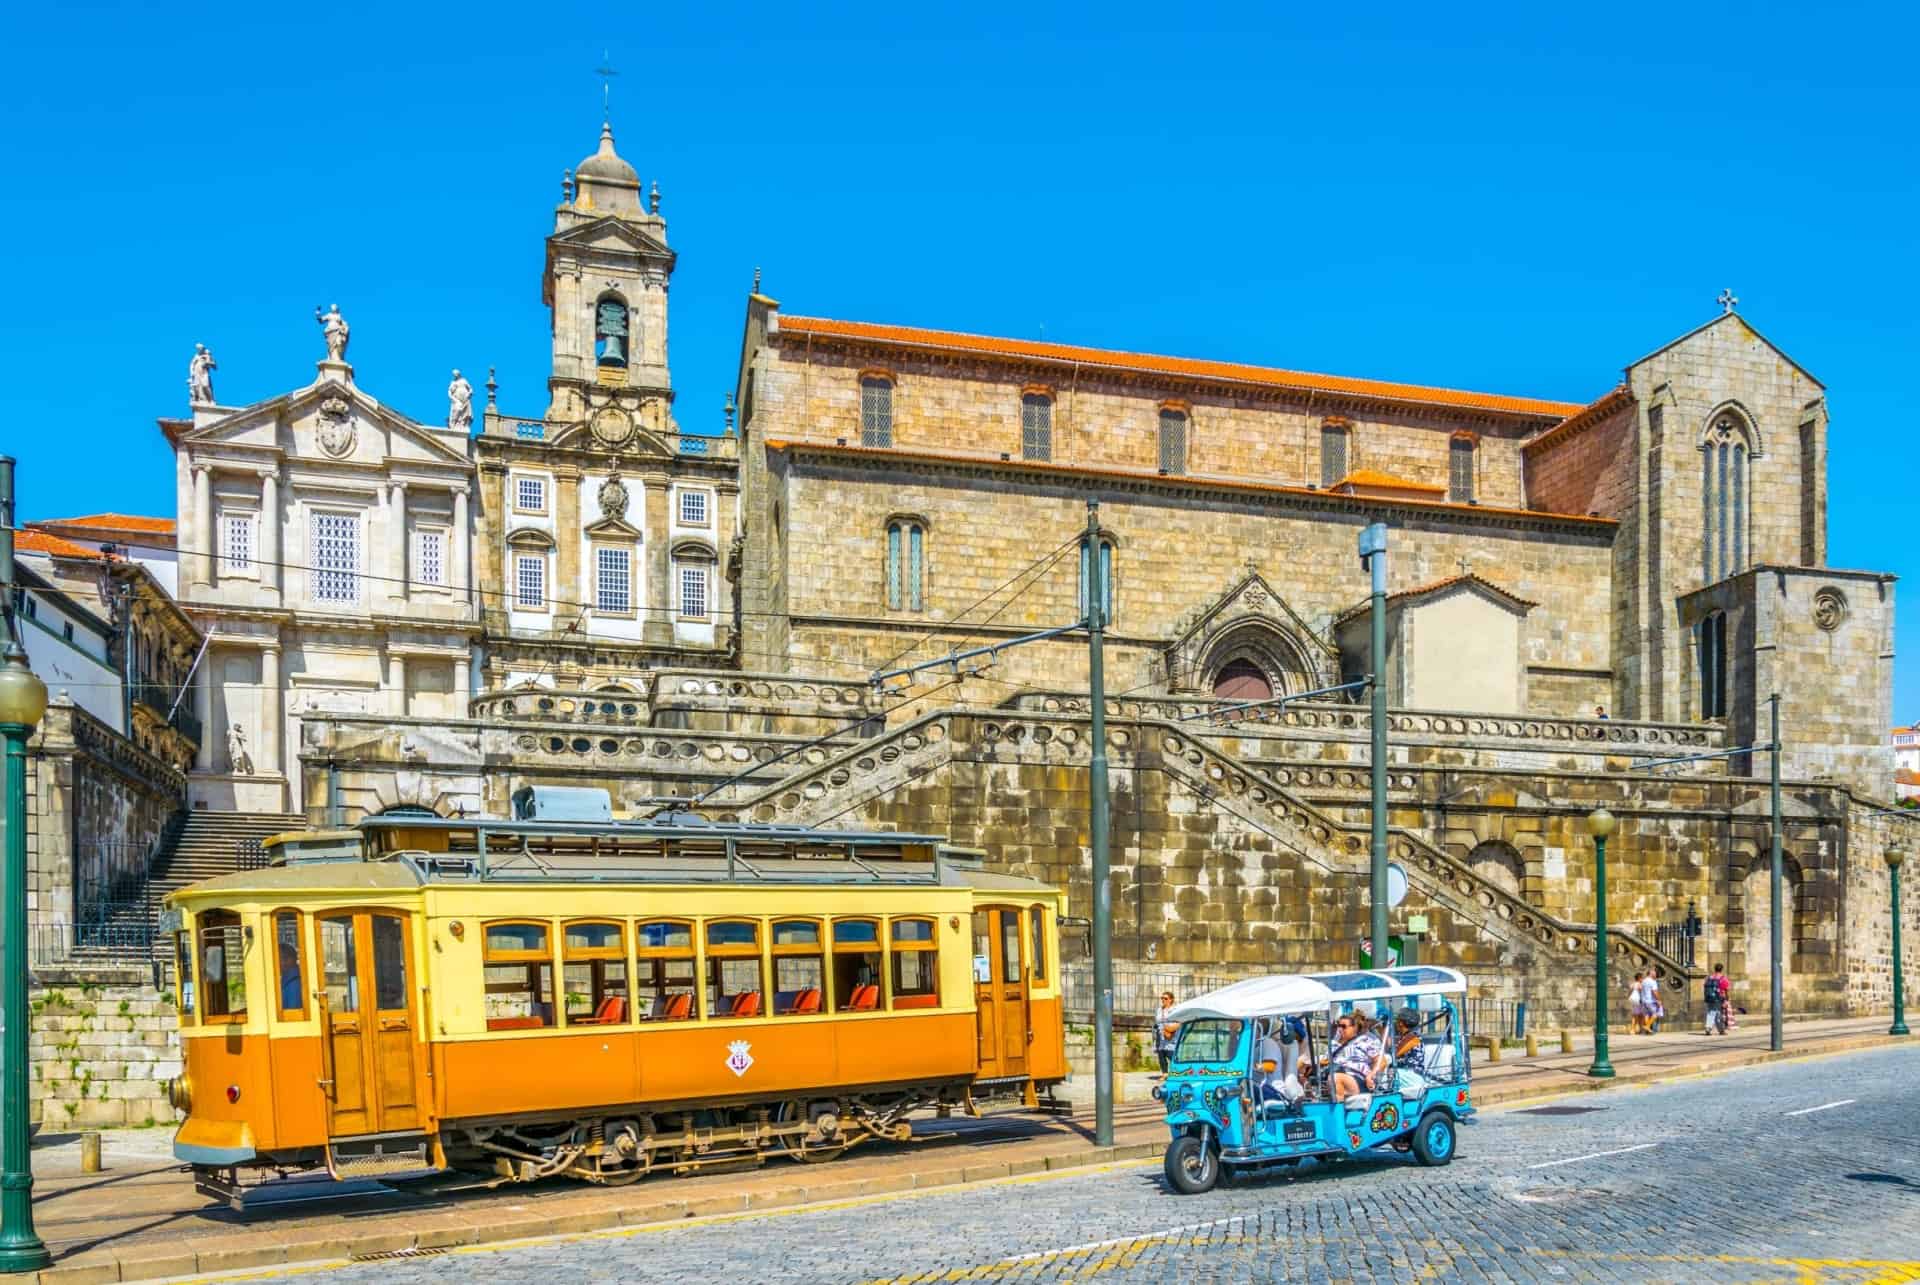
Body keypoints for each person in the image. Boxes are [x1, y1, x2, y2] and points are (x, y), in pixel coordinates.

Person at [1327, 1011, 1388, 1101]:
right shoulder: (1335, 1043)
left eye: (1343, 1026)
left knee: (1335, 1078)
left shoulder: (1365, 1041)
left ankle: (1338, 1112)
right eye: (1338, 1026)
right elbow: (1325, 1060)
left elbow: (1382, 1062)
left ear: (1354, 1027)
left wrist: (1371, 1075)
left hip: (1357, 1078)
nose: (1340, 1029)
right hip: (1335, 1072)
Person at [1154, 992, 1178, 1074]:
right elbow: (1157, 1021)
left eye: (1166, 998)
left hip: (1171, 1034)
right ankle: (1164, 1073)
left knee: (1171, 1054)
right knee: (1161, 1054)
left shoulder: (1175, 1009)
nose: (1163, 1000)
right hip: (1160, 1034)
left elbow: (1179, 1022)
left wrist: (1171, 1028)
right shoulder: (1159, 1010)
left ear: (1171, 1000)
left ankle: (1177, 1071)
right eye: (1162, 998)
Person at [1704, 964, 1730, 1035]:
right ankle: (1716, 1029)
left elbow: (1705, 986)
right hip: (1719, 998)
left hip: (1709, 998)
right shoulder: (1723, 978)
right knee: (1718, 1014)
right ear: (1721, 969)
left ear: (1715, 969)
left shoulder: (1709, 977)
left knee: (1712, 1013)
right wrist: (1726, 999)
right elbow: (1726, 990)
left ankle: (1714, 1028)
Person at [1628, 970, 1648, 1035]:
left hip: (1633, 1001)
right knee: (1638, 1016)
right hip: (1638, 1001)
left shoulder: (1632, 984)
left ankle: (1638, 1029)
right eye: (1642, 978)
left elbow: (1630, 992)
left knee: (1637, 1015)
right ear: (1639, 978)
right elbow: (1641, 993)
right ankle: (1634, 1029)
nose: (1643, 979)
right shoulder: (1639, 984)